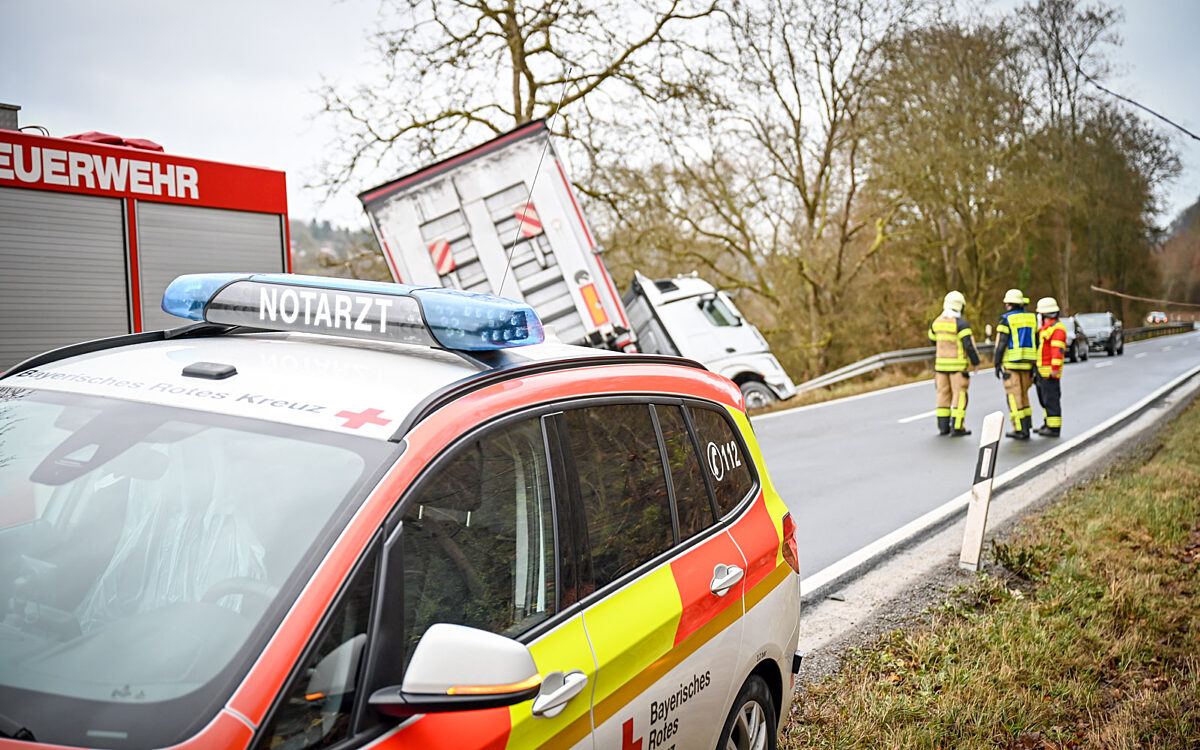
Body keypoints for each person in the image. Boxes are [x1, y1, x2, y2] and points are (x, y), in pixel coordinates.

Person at [928, 290, 980, 436]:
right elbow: (968, 345)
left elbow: (932, 339)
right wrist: (975, 362)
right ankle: (957, 427)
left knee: (942, 395)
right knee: (959, 395)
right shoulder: (961, 324)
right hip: (957, 368)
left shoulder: (936, 322)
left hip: (940, 367)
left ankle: (943, 427)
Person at [993, 288, 1038, 440]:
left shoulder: (1006, 319)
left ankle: (1019, 429)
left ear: (1009, 304)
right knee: (1024, 396)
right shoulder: (1032, 318)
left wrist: (997, 363)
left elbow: (1002, 343)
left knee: (1014, 397)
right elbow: (1036, 342)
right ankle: (1027, 426)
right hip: (1028, 364)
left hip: (1012, 365)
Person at [1034, 296, 1066, 436]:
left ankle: (1053, 428)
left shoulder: (1057, 329)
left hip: (1050, 373)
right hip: (1043, 372)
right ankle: (1048, 423)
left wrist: (1055, 369)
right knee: (1045, 399)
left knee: (1051, 400)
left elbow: (1057, 351)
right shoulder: (1047, 328)